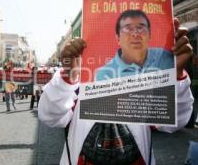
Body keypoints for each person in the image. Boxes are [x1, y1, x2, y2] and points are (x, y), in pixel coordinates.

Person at [38, 18, 194, 165]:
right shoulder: (78, 76)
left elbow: (175, 121)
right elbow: (50, 116)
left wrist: (175, 74)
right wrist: (68, 75)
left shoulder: (146, 78)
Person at [96, 10, 174, 81]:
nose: (135, 34)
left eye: (140, 28)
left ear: (149, 34)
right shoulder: (105, 74)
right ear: (118, 38)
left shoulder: (165, 57)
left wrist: (180, 75)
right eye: (128, 29)